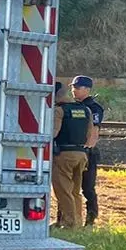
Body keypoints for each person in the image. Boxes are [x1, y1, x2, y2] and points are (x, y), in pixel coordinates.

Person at [49, 82, 94, 229]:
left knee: (63, 191)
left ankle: (69, 224)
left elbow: (53, 134)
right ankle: (77, 222)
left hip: (63, 155)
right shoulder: (85, 110)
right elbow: (89, 135)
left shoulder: (59, 111)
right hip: (81, 155)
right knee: (75, 191)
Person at [71, 75, 104, 225]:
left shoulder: (94, 108)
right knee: (69, 188)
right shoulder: (72, 105)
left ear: (87, 90)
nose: (73, 90)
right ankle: (66, 219)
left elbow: (94, 132)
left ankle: (90, 221)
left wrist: (87, 149)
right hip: (74, 151)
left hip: (87, 153)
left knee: (87, 188)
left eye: (77, 88)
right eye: (73, 87)